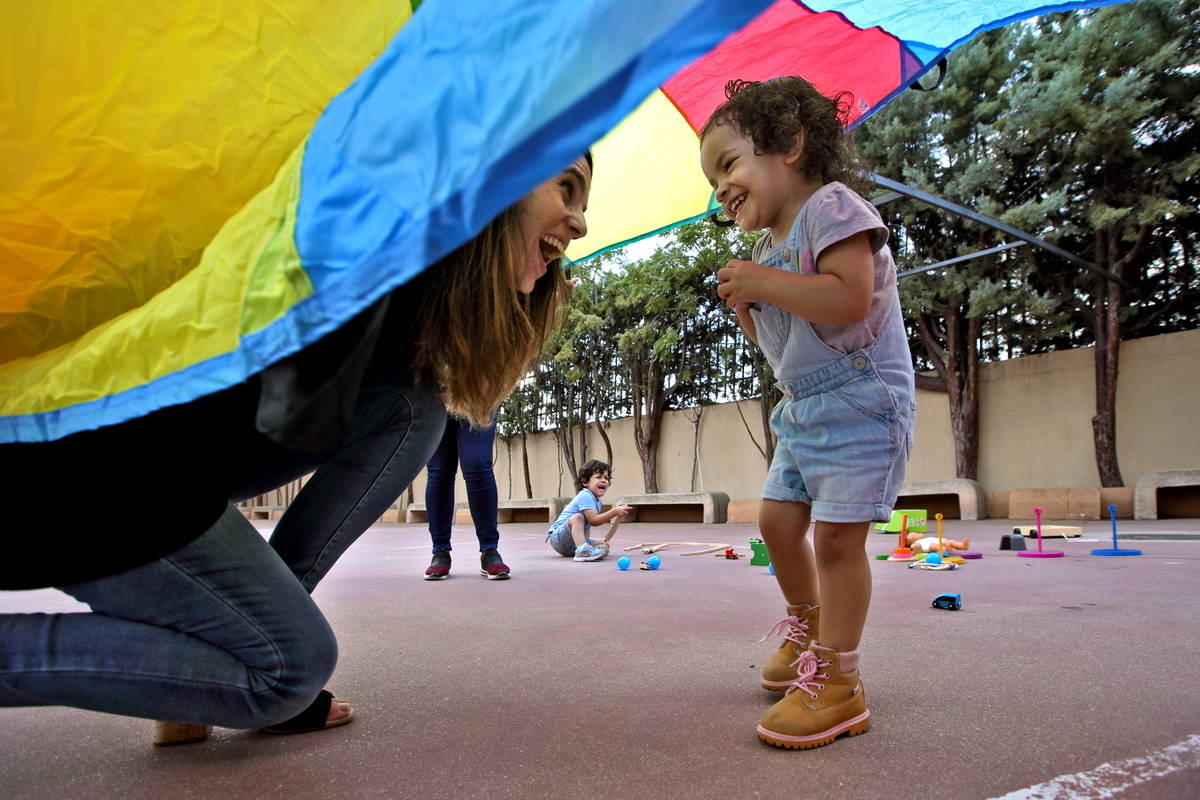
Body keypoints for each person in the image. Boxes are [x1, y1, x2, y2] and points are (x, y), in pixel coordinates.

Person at [0, 152, 593, 744]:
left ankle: (221, 649)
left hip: (155, 466)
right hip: (78, 468)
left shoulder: (405, 308)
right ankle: (238, 655)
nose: (580, 223)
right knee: (288, 669)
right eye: (567, 187)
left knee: (411, 408)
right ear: (493, 170)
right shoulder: (363, 239)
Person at [699, 77, 915, 749]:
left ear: (789, 145)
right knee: (776, 522)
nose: (719, 188)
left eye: (728, 164)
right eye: (713, 177)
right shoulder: (768, 250)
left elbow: (848, 299)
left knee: (838, 540)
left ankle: (841, 684)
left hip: (860, 402)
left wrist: (765, 284)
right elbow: (785, 349)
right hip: (804, 407)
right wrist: (750, 311)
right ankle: (808, 630)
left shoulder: (833, 207)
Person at [422, 414, 509, 580]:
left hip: (478, 390)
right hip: (435, 392)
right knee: (439, 468)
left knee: (477, 462)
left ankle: (489, 549)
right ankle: (440, 551)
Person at [546, 460, 632, 561]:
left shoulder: (597, 501)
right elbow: (594, 520)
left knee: (603, 545)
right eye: (598, 477)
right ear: (585, 482)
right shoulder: (585, 495)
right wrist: (614, 512)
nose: (604, 480)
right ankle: (583, 551)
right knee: (577, 517)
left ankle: (583, 549)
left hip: (572, 545)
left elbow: (587, 527)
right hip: (558, 538)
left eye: (606, 478)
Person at [906, 533, 971, 554]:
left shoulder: (925, 538)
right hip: (929, 544)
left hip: (939, 541)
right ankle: (945, 549)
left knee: (951, 541)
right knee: (933, 546)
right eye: (916, 534)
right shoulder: (918, 542)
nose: (918, 533)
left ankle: (962, 546)